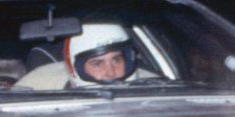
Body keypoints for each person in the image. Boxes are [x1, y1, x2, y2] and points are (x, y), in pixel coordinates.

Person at [14, 23, 153, 90]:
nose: (111, 73)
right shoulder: (37, 84)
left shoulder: (153, 85)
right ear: (76, 68)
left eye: (116, 60)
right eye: (97, 63)